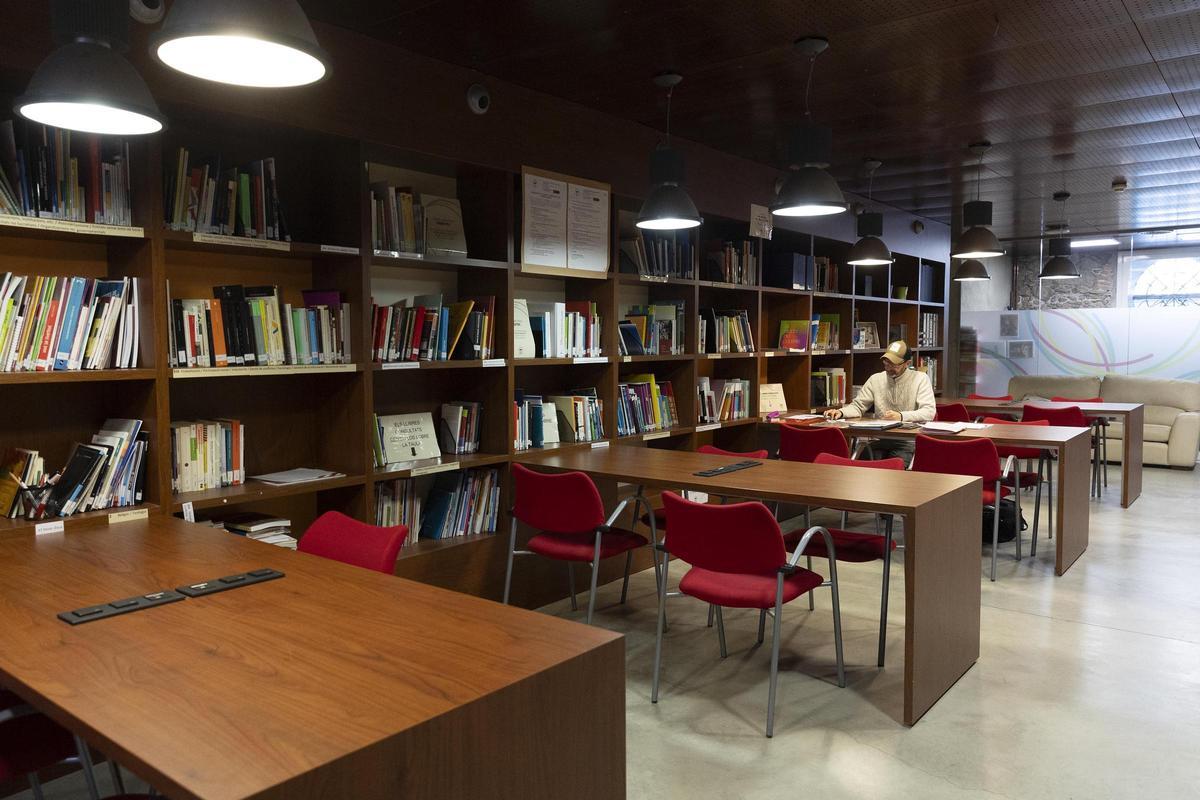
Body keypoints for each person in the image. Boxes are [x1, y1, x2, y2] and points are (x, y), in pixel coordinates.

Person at [823, 340, 935, 462]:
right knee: (863, 462)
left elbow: (929, 412)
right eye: (886, 361)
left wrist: (901, 416)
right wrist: (841, 412)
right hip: (881, 438)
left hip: (907, 440)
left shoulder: (920, 379)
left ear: (907, 363)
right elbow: (858, 406)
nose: (888, 366)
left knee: (897, 463)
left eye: (894, 363)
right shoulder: (876, 379)